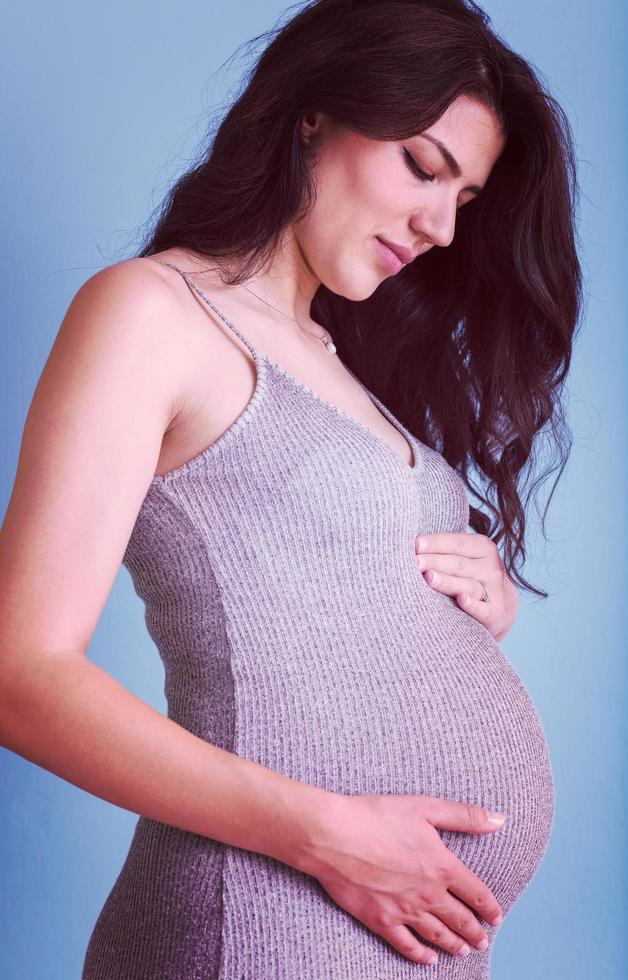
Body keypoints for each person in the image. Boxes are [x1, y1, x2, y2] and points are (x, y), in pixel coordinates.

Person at [0, 0, 582, 977]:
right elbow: (20, 674)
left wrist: (470, 597)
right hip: (265, 921)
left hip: (407, 936)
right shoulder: (155, 312)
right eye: (424, 167)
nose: (440, 225)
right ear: (314, 111)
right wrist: (327, 835)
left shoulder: (341, 360)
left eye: (466, 200)